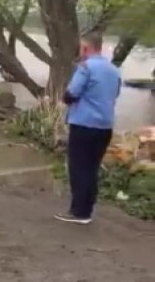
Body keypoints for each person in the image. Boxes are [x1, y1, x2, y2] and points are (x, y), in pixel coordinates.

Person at [55, 32, 121, 225]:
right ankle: (87, 210)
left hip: (84, 124)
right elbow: (115, 94)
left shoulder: (85, 67)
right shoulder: (113, 69)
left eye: (81, 47)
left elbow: (72, 93)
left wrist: (65, 99)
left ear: (86, 48)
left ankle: (78, 212)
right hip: (105, 127)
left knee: (78, 168)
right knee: (92, 169)